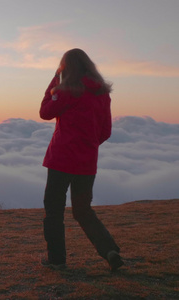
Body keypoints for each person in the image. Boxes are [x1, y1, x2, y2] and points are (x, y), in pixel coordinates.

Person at [39, 48, 124, 271]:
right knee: (83, 210)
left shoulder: (67, 91)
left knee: (54, 210)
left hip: (61, 160)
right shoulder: (102, 94)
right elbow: (105, 131)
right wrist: (88, 145)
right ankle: (109, 250)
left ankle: (56, 260)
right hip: (87, 164)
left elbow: (45, 112)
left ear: (66, 69)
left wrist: (54, 82)